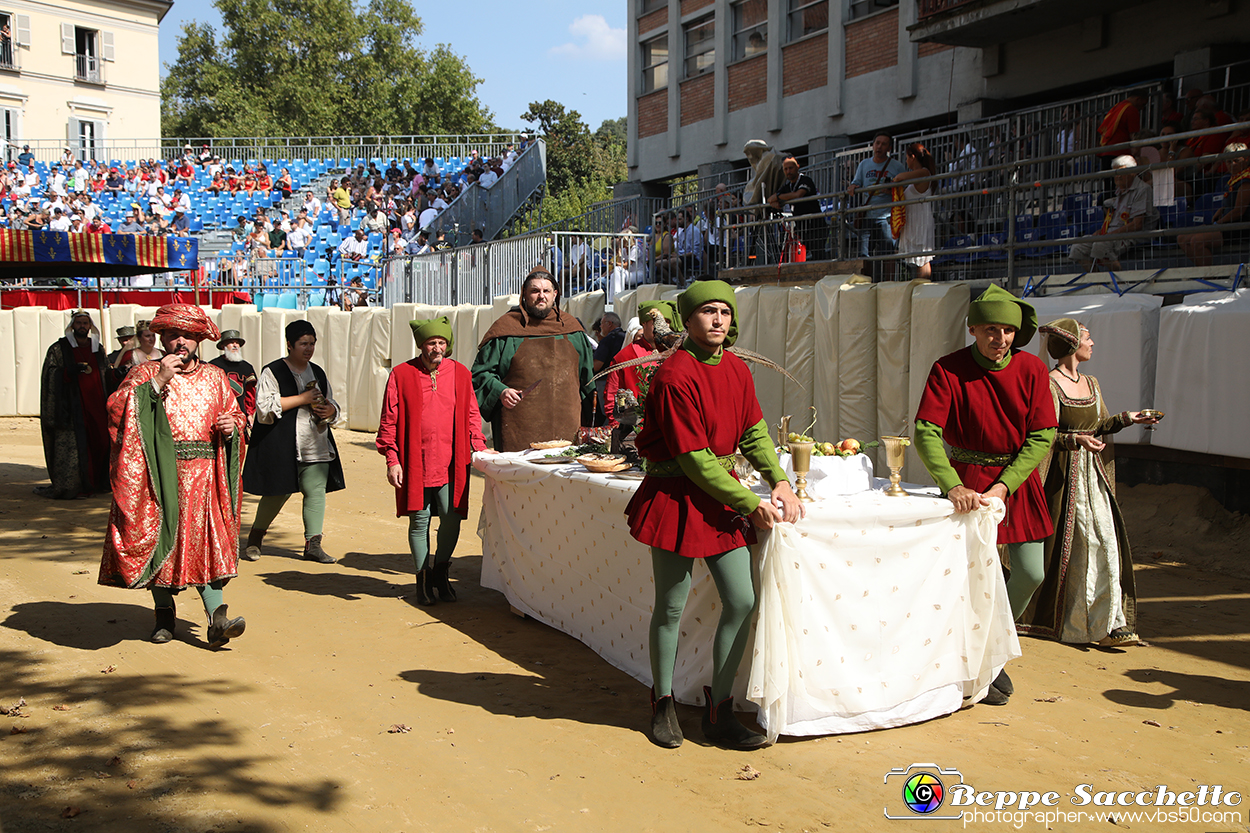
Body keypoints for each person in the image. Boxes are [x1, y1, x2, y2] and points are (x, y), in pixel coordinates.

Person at [625, 280, 803, 750]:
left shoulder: (738, 371)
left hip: (719, 498)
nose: (718, 320)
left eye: (725, 311)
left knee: (741, 601)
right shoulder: (673, 375)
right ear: (687, 321)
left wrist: (779, 479)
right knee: (671, 604)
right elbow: (694, 460)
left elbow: (754, 431)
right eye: (708, 312)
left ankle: (718, 710)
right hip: (677, 498)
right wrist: (751, 501)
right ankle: (662, 702)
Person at [914, 285, 1057, 706]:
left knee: (1032, 572)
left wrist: (1004, 485)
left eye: (1008, 331)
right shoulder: (948, 369)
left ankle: (991, 656)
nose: (1001, 339)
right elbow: (926, 430)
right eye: (991, 329)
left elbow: (1042, 433)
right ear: (973, 328)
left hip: (1014, 483)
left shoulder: (1032, 370)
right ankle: (969, 661)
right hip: (965, 485)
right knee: (966, 577)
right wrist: (952, 484)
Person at [98, 304, 248, 649]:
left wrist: (232, 427)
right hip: (160, 476)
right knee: (163, 541)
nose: (180, 341)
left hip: (206, 477)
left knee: (207, 543)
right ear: (161, 337)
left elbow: (236, 416)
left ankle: (218, 618)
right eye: (172, 335)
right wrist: (159, 381)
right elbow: (117, 409)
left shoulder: (215, 377)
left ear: (199, 338)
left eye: (188, 335)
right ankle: (164, 613)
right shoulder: (144, 373)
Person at [1017, 319, 1158, 648]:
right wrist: (1073, 440)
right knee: (1079, 551)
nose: (1092, 343)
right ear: (1070, 345)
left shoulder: (1091, 383)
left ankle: (1111, 621)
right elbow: (1043, 434)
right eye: (1087, 338)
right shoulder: (1050, 384)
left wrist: (1127, 419)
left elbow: (1100, 423)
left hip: (1094, 478)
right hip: (1064, 483)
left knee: (1107, 542)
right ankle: (1077, 624)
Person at [376, 317, 491, 606]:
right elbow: (389, 420)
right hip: (415, 460)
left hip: (453, 460)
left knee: (452, 516)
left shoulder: (461, 373)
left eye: (441, 342)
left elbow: (472, 415)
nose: (437, 348)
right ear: (421, 346)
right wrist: (393, 459)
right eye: (431, 343)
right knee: (420, 518)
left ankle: (441, 571)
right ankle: (422, 579)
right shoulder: (401, 374)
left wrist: (478, 446)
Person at [241, 320, 343, 563]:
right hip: (282, 445)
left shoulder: (317, 371)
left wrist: (329, 410)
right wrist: (302, 398)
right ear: (289, 345)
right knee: (277, 493)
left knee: (315, 491)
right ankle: (255, 537)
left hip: (315, 444)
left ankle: (313, 545)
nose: (308, 349)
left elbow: (331, 402)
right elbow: (264, 410)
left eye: (312, 343)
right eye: (303, 344)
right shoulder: (273, 371)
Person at [471, 267, 594, 451]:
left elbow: (588, 382)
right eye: (535, 291)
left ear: (555, 295)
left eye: (546, 291)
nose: (541, 296)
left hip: (568, 432)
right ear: (524, 295)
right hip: (517, 431)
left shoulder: (573, 330)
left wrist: (594, 423)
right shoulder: (506, 330)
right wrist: (501, 391)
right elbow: (480, 374)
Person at [38, 310, 111, 499]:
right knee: (76, 447)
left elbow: (104, 373)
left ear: (90, 326)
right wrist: (66, 372)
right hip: (71, 407)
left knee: (101, 442)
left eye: (85, 323)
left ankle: (98, 483)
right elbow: (49, 374)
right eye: (78, 323)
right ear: (72, 326)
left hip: (96, 405)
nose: (82, 326)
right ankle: (77, 486)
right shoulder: (59, 349)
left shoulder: (98, 348)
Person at [1068, 155, 1156, 272]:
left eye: (1121, 171)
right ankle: (1098, 282)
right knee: (1078, 247)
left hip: (1131, 236)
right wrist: (1102, 232)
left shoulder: (1142, 190)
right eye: (1115, 172)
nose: (1118, 175)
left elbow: (1137, 224)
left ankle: (1119, 283)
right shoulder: (1119, 191)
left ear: (1133, 172)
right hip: (1112, 235)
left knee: (1101, 246)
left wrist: (1110, 235)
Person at [604, 300, 681, 426]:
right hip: (637, 429)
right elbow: (612, 396)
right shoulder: (625, 356)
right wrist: (618, 426)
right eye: (656, 322)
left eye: (667, 322)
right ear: (644, 323)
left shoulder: (678, 353)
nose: (664, 327)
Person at [1178, 143, 1249, 266]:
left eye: (1236, 161)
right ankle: (1202, 271)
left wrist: (1217, 224)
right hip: (1225, 224)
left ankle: (1210, 276)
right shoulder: (1234, 179)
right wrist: (1221, 210)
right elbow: (1231, 203)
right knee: (1182, 238)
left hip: (1238, 228)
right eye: (1228, 162)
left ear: (1246, 159)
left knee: (1196, 240)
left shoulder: (1246, 181)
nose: (1232, 165)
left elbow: (1239, 211)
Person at [847, 132, 906, 279]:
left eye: (883, 144)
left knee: (888, 254)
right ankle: (864, 285)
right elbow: (856, 182)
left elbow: (905, 188)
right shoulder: (864, 164)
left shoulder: (897, 166)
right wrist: (853, 187)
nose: (879, 146)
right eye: (877, 143)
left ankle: (888, 285)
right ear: (873, 145)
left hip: (887, 216)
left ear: (889, 147)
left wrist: (892, 189)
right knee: (863, 256)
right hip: (867, 214)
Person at [891, 142, 938, 280]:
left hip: (919, 220)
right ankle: (920, 286)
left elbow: (899, 177)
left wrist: (895, 181)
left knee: (923, 258)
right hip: (914, 219)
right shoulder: (919, 175)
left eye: (906, 158)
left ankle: (924, 288)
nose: (906, 161)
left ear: (912, 157)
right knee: (918, 258)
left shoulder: (924, 172)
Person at [769, 156, 824, 261]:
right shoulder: (787, 185)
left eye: (791, 168)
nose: (788, 171)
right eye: (786, 169)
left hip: (815, 224)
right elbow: (770, 199)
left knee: (818, 256)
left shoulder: (806, 180)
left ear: (797, 167)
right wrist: (776, 201)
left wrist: (779, 197)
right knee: (804, 257)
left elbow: (798, 194)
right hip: (801, 226)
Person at [208, 329, 257, 421]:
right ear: (223, 346)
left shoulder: (246, 367)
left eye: (237, 343)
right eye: (231, 343)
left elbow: (251, 393)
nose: (235, 345)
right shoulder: (213, 366)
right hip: (218, 415)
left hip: (240, 416)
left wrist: (249, 414)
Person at [1097, 91, 1146, 169]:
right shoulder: (1131, 109)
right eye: (1143, 104)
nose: (1142, 108)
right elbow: (1134, 134)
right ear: (1138, 99)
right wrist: (1137, 150)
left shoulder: (1117, 107)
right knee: (1121, 180)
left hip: (1106, 150)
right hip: (1120, 153)